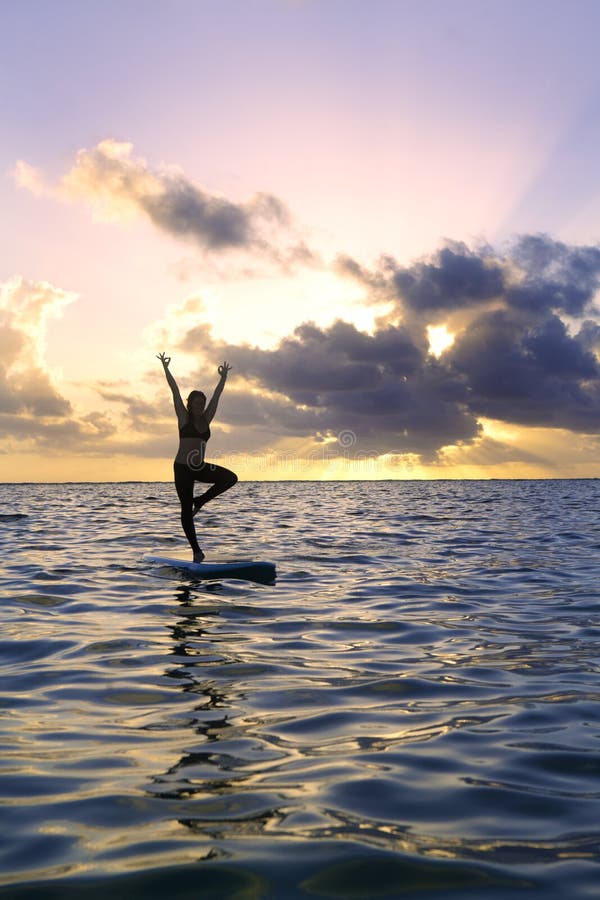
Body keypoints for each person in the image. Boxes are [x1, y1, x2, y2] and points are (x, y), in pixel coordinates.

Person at [157, 352, 237, 562]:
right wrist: (166, 368)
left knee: (230, 478)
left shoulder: (207, 418)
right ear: (190, 404)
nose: (200, 406)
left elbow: (217, 397)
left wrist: (223, 378)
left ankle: (200, 500)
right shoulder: (184, 419)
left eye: (202, 403)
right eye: (196, 403)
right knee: (185, 509)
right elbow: (174, 391)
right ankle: (197, 551)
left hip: (199, 467)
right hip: (183, 468)